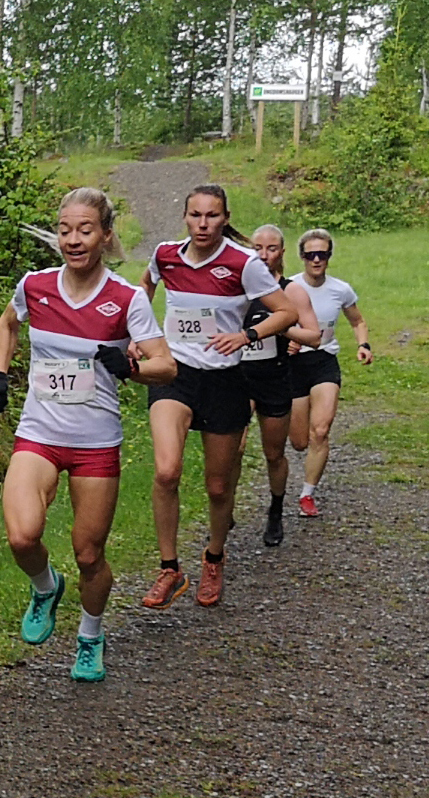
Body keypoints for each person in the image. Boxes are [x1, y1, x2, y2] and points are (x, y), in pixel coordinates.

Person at [0, 187, 176, 682]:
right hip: (39, 433)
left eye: (85, 230)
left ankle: (90, 635)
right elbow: (7, 325)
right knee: (22, 536)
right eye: (65, 230)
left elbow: (166, 366)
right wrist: (0, 374)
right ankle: (46, 586)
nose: (73, 239)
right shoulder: (34, 286)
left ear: (105, 236)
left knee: (90, 555)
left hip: (95, 443)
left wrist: (130, 368)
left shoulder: (126, 298)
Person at [138, 184, 297, 609]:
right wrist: (140, 337)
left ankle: (214, 556)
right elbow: (142, 291)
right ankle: (169, 569)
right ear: (185, 217)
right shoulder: (166, 254)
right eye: (195, 215)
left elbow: (287, 312)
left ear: (225, 218)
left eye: (212, 216)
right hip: (175, 375)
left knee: (218, 486)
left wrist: (246, 334)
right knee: (167, 471)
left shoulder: (243, 264)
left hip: (225, 379)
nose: (203, 224)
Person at [234, 225, 321, 547]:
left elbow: (314, 336)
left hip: (274, 376)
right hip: (238, 376)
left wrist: (282, 329)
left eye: (271, 249)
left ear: (282, 252)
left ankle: (275, 509)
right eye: (257, 247)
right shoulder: (238, 287)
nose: (263, 255)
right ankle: (224, 506)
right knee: (233, 449)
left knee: (274, 453)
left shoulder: (291, 291)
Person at [287, 228, 373, 518]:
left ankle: (307, 494)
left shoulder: (340, 289)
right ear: (301, 257)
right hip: (294, 365)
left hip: (324, 362)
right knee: (299, 441)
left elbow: (357, 320)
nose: (316, 260)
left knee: (320, 431)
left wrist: (364, 345)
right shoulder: (289, 287)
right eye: (310, 255)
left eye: (322, 254)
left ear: (329, 257)